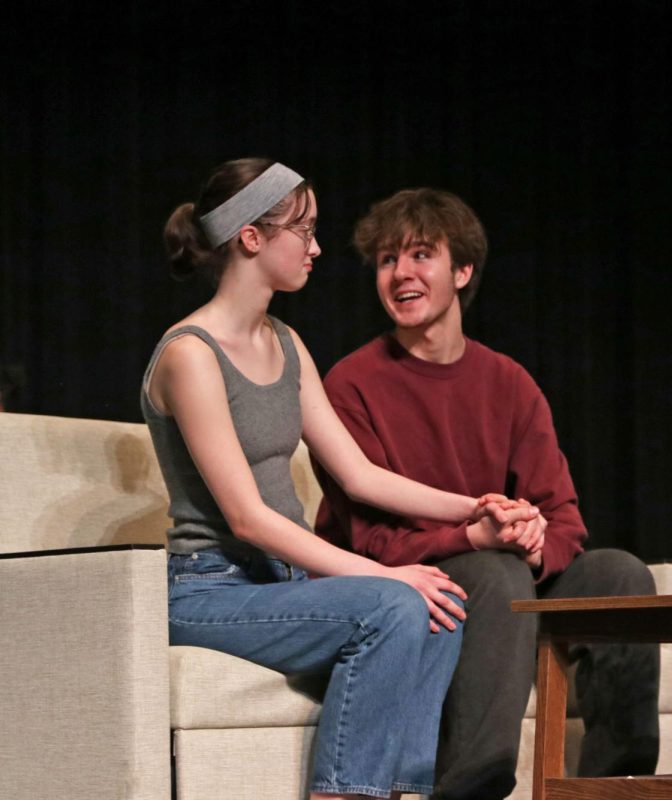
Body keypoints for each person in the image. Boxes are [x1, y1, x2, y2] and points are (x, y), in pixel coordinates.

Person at [144, 159, 536, 800]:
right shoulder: (191, 354)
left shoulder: (287, 343)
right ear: (251, 237)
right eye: (304, 230)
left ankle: (404, 792)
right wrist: (383, 574)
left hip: (283, 586)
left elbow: (360, 475)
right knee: (394, 602)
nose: (317, 248)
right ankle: (344, 791)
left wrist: (477, 506)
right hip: (209, 590)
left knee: (440, 606)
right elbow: (248, 519)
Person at [312, 188, 661, 800]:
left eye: (421, 255)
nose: (401, 274)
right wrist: (477, 538)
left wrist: (531, 545)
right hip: (393, 579)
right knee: (496, 574)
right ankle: (470, 786)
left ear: (463, 270)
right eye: (388, 260)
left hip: (500, 566)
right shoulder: (351, 384)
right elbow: (371, 541)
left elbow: (565, 523)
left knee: (621, 575)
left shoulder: (508, 382)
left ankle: (616, 786)